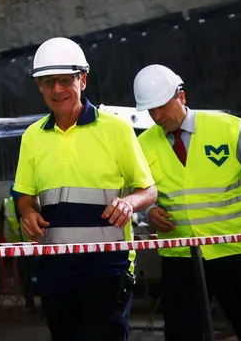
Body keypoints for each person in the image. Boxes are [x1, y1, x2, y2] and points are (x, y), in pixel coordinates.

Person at [13, 37, 157, 341]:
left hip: (108, 267)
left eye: (65, 81)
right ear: (38, 85)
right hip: (56, 268)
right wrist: (27, 214)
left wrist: (129, 203)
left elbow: (149, 190)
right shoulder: (32, 137)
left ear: (83, 80)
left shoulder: (116, 129)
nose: (57, 90)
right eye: (47, 82)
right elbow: (25, 195)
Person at [132, 64, 241, 341]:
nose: (157, 116)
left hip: (234, 250)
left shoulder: (225, 127)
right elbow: (139, 190)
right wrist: (149, 212)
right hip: (180, 256)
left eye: (162, 106)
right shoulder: (143, 144)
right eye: (150, 110)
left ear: (182, 97)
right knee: (182, 333)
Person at [0, 185, 38, 311]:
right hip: (20, 248)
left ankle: (43, 301)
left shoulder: (31, 204)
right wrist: (1, 237)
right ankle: (29, 303)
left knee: (37, 274)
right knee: (25, 275)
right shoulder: (7, 204)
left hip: (35, 247)